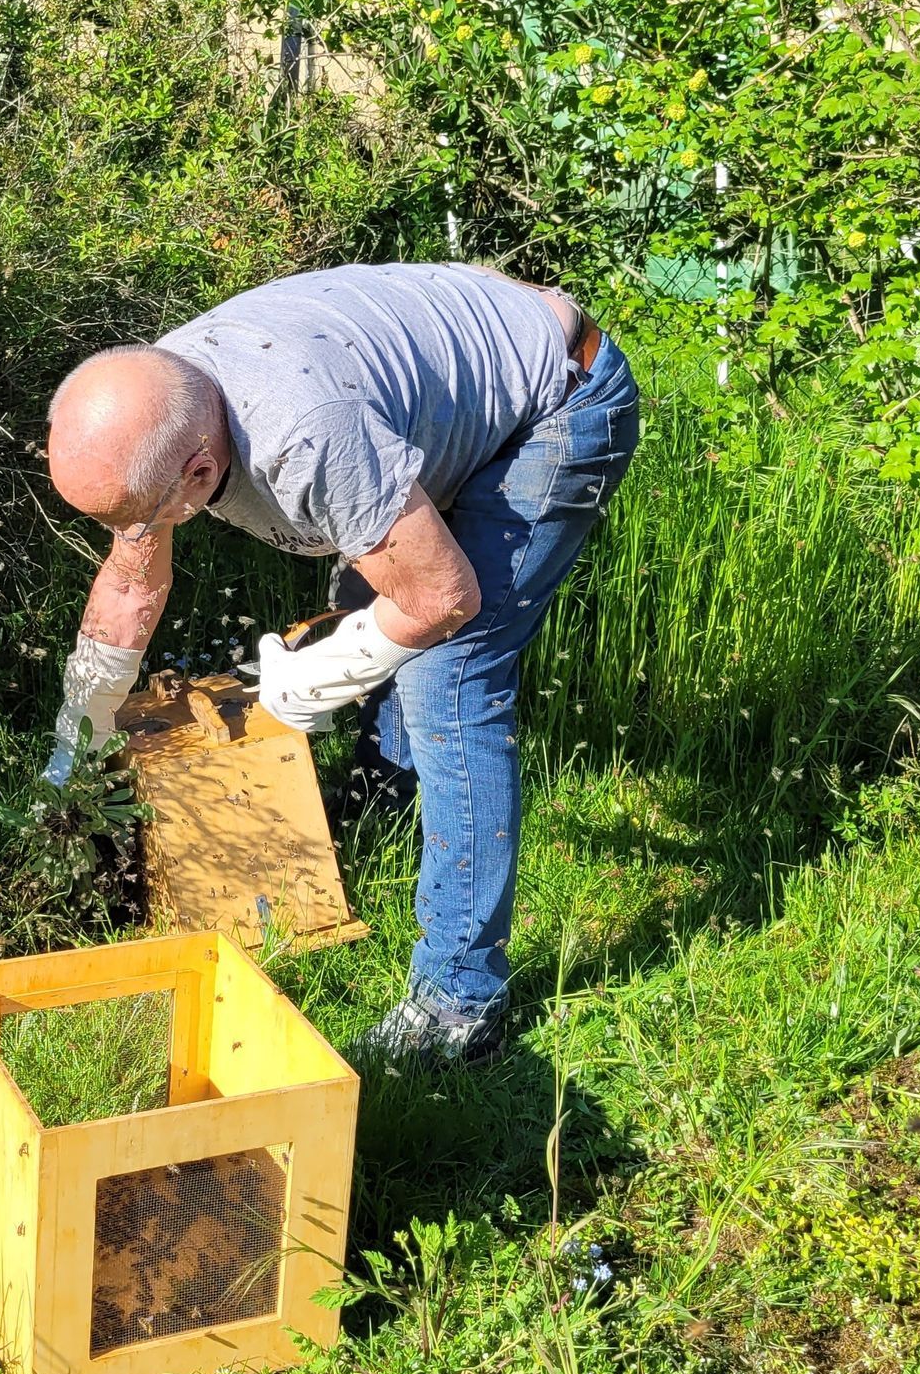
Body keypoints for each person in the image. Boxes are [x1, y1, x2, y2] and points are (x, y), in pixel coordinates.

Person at [42, 261, 639, 1066]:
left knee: (449, 674)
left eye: (140, 518)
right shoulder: (151, 406)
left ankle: (460, 1007)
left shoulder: (304, 437)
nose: (133, 534)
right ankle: (382, 821)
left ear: (199, 474)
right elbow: (129, 583)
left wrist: (319, 679)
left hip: (557, 402)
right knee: (371, 598)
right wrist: (75, 735)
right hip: (458, 375)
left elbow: (444, 599)